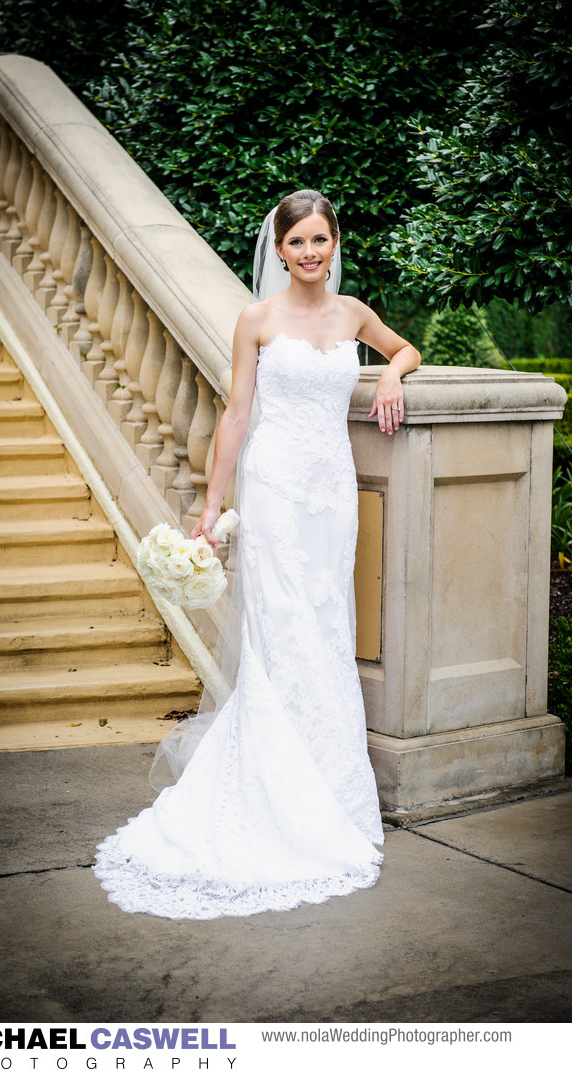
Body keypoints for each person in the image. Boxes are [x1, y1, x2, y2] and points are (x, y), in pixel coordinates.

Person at [94, 189, 421, 919]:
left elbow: (403, 346)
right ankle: (274, 796)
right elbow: (237, 412)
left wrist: (394, 371)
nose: (309, 253)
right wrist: (213, 505)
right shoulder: (256, 319)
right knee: (283, 630)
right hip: (272, 488)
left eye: (320, 241)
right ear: (278, 250)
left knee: (325, 626)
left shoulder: (353, 313)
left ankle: (331, 794)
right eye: (297, 242)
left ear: (335, 243)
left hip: (330, 494)